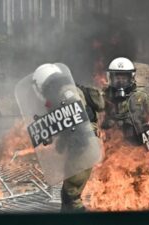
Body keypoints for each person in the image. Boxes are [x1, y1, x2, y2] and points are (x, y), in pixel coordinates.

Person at [31, 63, 104, 212]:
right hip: (80, 147)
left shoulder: (66, 92)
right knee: (68, 195)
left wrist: (77, 137)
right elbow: (67, 120)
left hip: (84, 147)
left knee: (71, 197)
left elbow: (77, 116)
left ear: (42, 82)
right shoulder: (59, 93)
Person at [102, 57, 149, 147]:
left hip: (139, 145)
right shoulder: (104, 97)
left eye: (123, 77)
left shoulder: (141, 95)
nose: (120, 80)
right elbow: (94, 121)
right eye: (117, 77)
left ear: (131, 77)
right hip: (112, 145)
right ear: (111, 77)